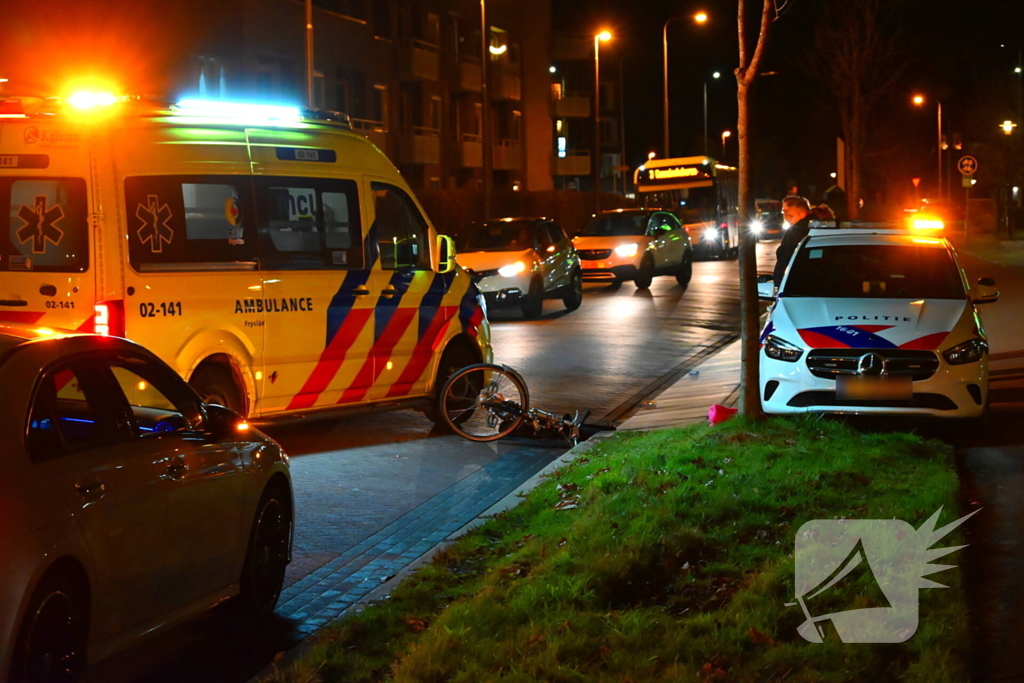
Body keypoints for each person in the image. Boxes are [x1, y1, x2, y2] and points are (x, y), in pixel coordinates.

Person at [773, 196, 813, 286]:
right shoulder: (803, 228)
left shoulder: (798, 231)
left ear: (802, 213)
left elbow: (786, 256)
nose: (784, 215)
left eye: (787, 211)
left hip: (795, 285)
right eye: (783, 211)